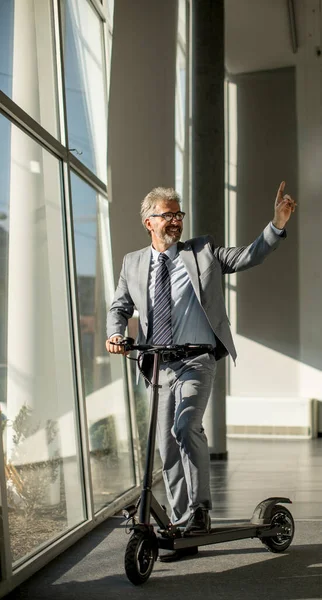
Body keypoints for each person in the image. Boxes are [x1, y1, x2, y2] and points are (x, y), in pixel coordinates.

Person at [105, 182, 296, 560]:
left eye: (179, 214)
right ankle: (180, 523)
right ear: (149, 221)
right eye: (168, 215)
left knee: (185, 425)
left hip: (197, 359)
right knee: (164, 445)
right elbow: (119, 307)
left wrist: (275, 225)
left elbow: (247, 256)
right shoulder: (133, 262)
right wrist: (114, 332)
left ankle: (200, 512)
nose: (175, 221)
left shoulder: (202, 251)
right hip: (158, 363)